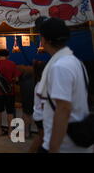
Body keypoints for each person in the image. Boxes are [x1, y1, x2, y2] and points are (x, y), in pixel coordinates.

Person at [35, 17, 93, 153]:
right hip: (74, 141)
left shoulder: (60, 67)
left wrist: (53, 148)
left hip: (64, 145)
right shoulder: (74, 61)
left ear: (44, 39)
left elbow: (63, 109)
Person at [0, 49, 21, 137]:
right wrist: (10, 80)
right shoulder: (12, 64)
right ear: (8, 56)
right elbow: (17, 79)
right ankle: (10, 132)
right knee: (10, 112)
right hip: (10, 92)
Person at [29, 60, 46, 153]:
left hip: (38, 115)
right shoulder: (42, 85)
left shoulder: (39, 84)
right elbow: (44, 105)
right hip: (42, 116)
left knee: (41, 137)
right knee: (42, 138)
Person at [17, 63, 35, 138]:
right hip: (30, 97)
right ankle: (26, 132)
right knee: (27, 114)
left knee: (25, 114)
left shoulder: (23, 80)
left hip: (25, 97)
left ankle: (24, 132)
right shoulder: (33, 80)